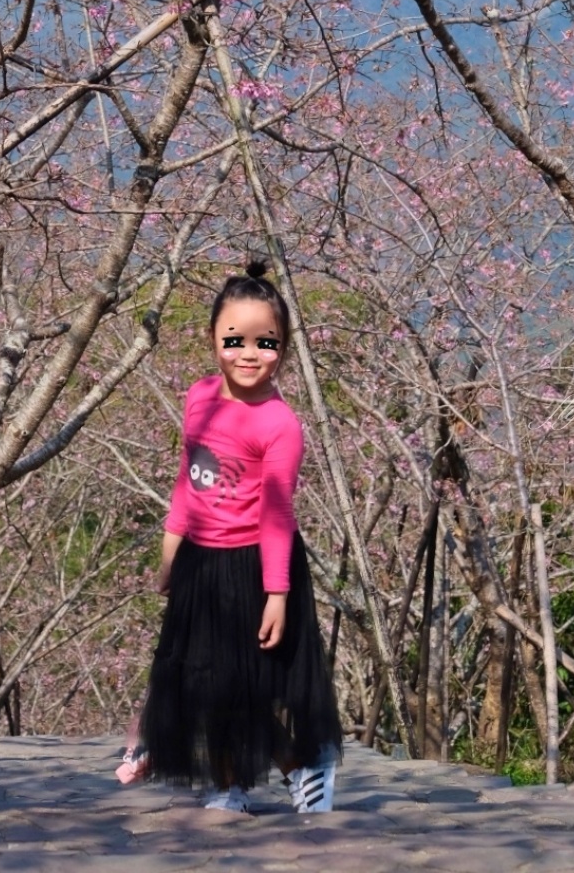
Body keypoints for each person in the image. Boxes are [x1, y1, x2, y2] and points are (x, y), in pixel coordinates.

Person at [132, 261, 343, 814]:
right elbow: (189, 481)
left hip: (255, 564)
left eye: (266, 342)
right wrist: (171, 554)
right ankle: (229, 784)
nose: (249, 354)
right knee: (201, 682)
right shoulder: (199, 398)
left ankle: (298, 767)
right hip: (201, 560)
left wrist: (277, 594)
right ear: (212, 339)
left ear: (284, 348)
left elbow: (276, 514)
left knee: (238, 685)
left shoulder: (279, 425)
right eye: (235, 340)